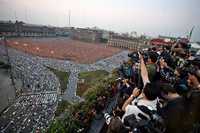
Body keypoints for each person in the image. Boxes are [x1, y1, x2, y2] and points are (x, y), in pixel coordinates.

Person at [122, 52, 160, 121]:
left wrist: (132, 96)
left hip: (131, 118)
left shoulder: (139, 109)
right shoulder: (155, 98)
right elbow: (144, 74)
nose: (142, 90)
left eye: (143, 90)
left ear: (144, 95)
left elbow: (124, 108)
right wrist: (141, 59)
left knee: (126, 91)